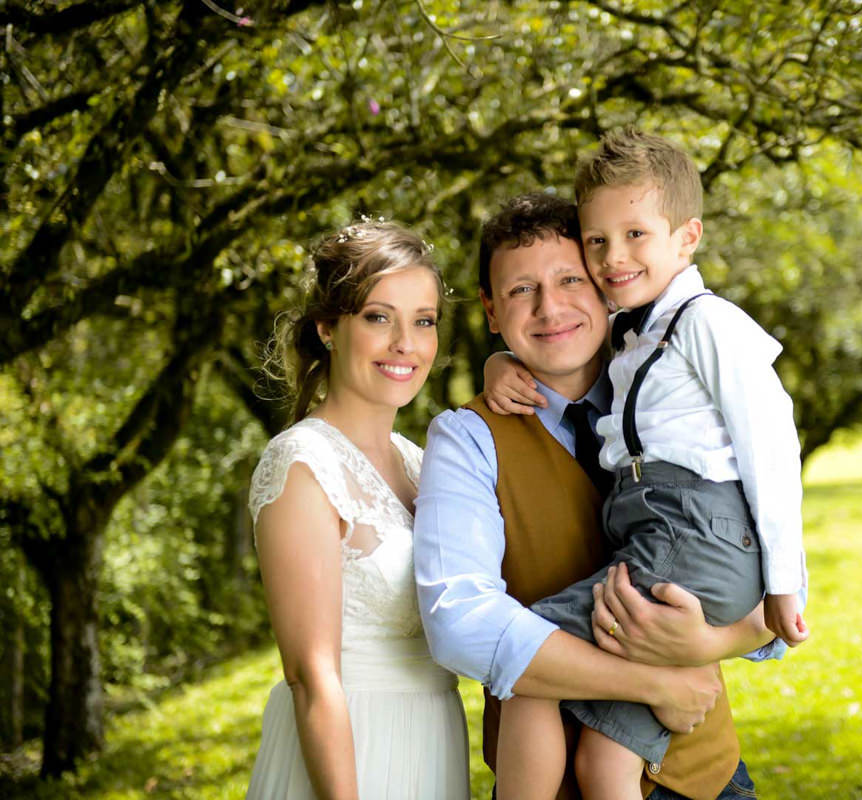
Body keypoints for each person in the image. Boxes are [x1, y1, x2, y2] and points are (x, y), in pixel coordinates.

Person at [414, 192, 780, 800]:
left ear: (608, 287)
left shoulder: (676, 393)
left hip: (702, 772)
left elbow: (767, 575)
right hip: (551, 779)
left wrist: (711, 643)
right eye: (520, 291)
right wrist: (653, 684)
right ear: (490, 311)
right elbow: (460, 624)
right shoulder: (468, 439)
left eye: (569, 280)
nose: (550, 307)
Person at [486, 129, 809, 799]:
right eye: (597, 242)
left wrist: (785, 583)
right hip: (667, 534)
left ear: (687, 237)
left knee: (524, 656)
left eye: (636, 235)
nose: (613, 258)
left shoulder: (704, 323)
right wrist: (500, 362)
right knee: (606, 767)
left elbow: (771, 442)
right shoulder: (639, 331)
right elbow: (555, 329)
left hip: (688, 535)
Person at [246, 220, 469, 800]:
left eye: (423, 321)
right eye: (378, 317)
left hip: (434, 741)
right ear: (328, 327)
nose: (406, 343)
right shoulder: (302, 463)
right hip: (351, 757)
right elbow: (309, 677)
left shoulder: (422, 463)